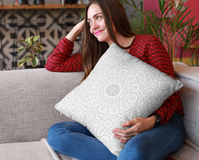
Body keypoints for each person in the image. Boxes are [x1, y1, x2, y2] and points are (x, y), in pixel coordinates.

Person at [46, 0, 185, 159]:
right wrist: (78, 27)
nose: (93, 27)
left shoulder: (148, 44)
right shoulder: (97, 56)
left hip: (163, 123)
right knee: (57, 133)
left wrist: (151, 121)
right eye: (89, 22)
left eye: (98, 18)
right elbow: (54, 63)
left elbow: (171, 95)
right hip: (116, 125)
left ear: (114, 15)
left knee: (136, 146)